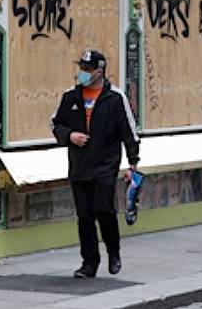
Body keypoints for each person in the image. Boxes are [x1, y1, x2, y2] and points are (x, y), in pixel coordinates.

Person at [51, 49, 140, 278]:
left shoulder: (115, 97)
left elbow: (129, 132)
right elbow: (56, 124)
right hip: (79, 165)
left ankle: (113, 251)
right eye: (81, 68)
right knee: (85, 216)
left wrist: (133, 163)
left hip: (105, 164)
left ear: (99, 71)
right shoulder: (70, 96)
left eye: (87, 69)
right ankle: (89, 262)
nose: (82, 73)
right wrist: (70, 136)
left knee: (104, 209)